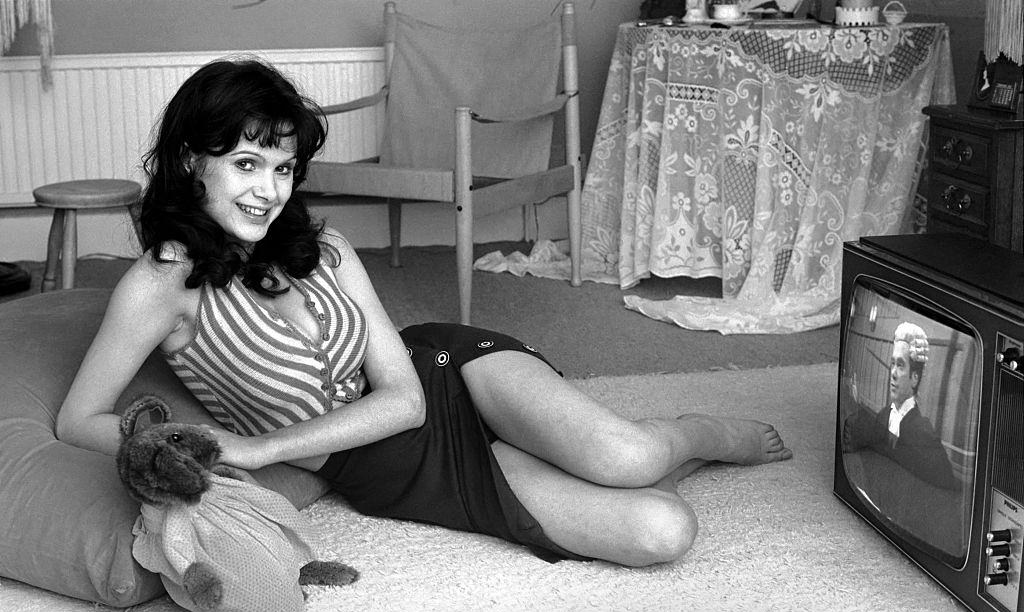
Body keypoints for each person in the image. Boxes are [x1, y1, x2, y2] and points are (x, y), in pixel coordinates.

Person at [57, 58, 792, 567]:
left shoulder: (326, 247)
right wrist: (193, 441)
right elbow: (77, 417)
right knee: (664, 531)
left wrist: (261, 450)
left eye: (282, 169)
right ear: (193, 161)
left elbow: (405, 399)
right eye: (246, 164)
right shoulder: (162, 284)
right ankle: (656, 460)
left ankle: (703, 431)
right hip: (397, 474)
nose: (268, 190)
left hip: (447, 374)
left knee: (623, 458)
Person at [842, 322, 955, 490]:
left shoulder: (923, 432)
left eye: (900, 365)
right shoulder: (884, 414)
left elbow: (946, 481)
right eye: (893, 363)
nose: (893, 373)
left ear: (914, 378)